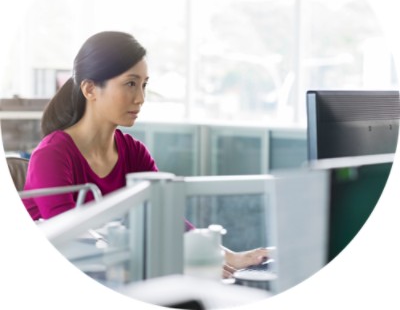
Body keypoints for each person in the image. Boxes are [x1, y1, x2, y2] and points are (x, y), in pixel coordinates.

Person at [22, 31, 269, 276]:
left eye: (144, 85)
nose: (140, 98)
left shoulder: (134, 151)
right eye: (130, 83)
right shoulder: (51, 155)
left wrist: (227, 256)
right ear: (90, 89)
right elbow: (73, 242)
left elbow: (166, 219)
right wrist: (175, 261)